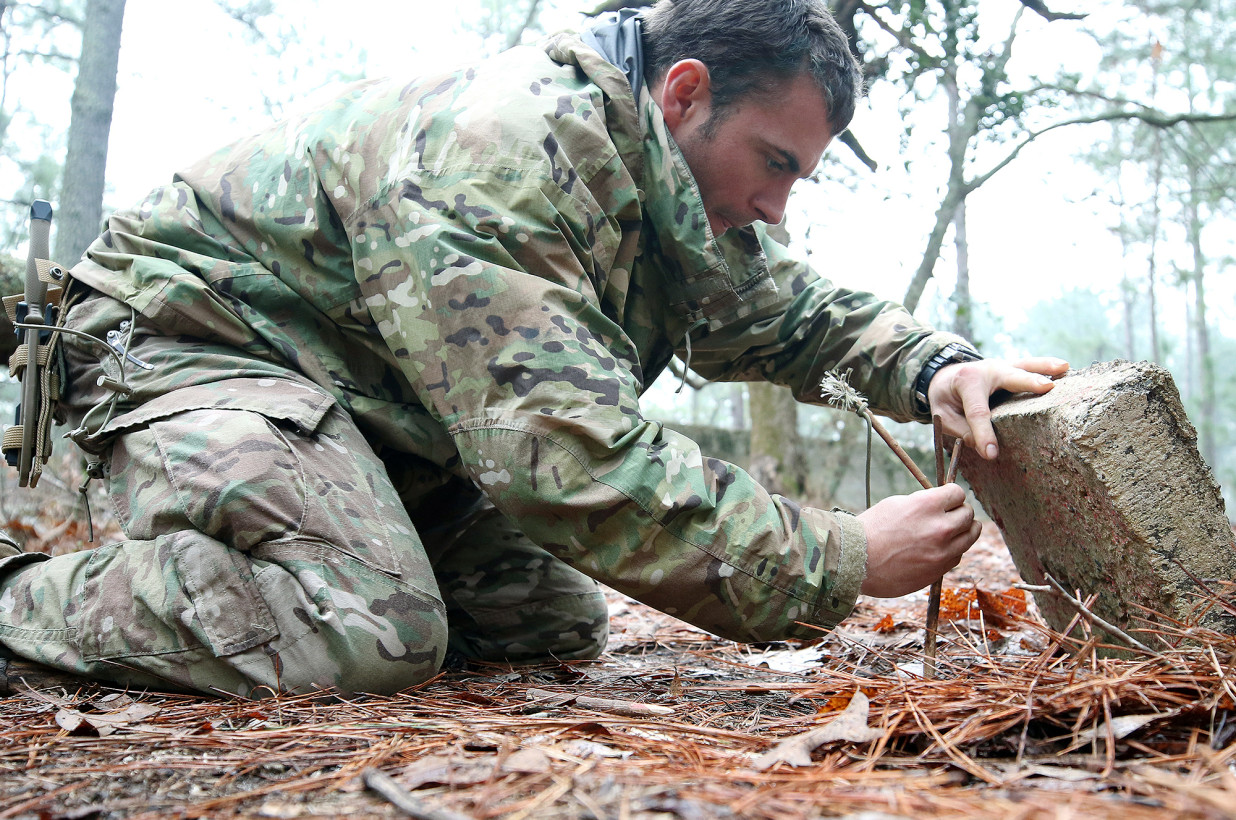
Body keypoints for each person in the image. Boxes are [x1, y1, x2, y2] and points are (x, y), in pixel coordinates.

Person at [0, 0, 1066, 697]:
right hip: (185, 347)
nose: (778, 209)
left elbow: (790, 308)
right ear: (685, 91)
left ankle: (311, 559)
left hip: (350, 402)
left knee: (540, 618)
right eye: (773, 163)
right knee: (372, 629)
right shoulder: (502, 157)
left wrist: (937, 365)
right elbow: (570, 464)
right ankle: (21, 599)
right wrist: (840, 555)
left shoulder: (661, 175)